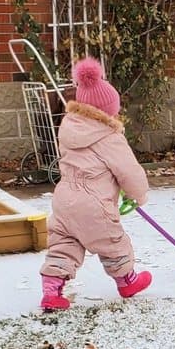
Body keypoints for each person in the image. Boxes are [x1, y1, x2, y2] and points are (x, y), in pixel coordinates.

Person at [38, 57, 151, 310]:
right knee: (113, 242)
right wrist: (138, 195)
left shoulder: (67, 127)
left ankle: (51, 292)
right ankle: (127, 281)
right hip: (94, 205)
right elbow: (128, 171)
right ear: (106, 111)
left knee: (64, 246)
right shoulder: (109, 136)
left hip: (64, 200)